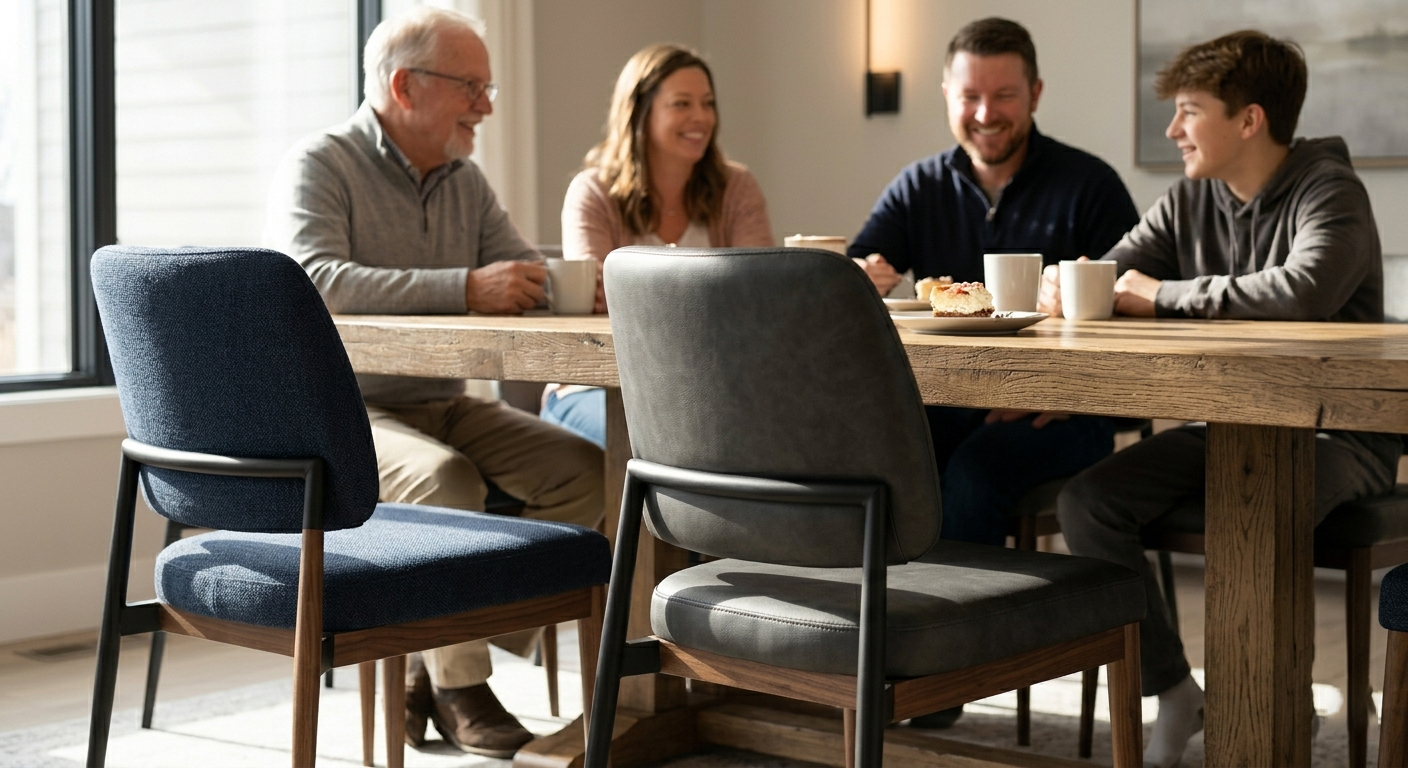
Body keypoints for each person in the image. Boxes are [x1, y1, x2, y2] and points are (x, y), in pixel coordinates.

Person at [1050, 30, 1402, 768]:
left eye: (1188, 111)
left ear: (1249, 120)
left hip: (1340, 434)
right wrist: (1066, 285)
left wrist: (1163, 297)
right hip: (1232, 426)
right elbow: (1112, 278)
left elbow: (1303, 291)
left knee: (1251, 500)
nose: (1173, 130)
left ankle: (1271, 707)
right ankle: (1175, 688)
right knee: (1088, 501)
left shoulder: (1330, 189)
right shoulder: (1189, 199)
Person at [263, 7, 604, 758]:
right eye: (470, 87)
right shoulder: (321, 163)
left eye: (488, 88)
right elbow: (315, 280)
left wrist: (569, 286)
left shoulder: (464, 180)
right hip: (348, 412)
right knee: (447, 481)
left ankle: (433, 650)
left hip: (443, 402)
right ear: (404, 87)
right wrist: (465, 288)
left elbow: (520, 267)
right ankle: (461, 685)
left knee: (588, 472)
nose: (486, 105)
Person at [846, 17, 1140, 728]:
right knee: (881, 464)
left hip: (1067, 413)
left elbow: (1135, 312)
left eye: (1004, 94)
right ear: (947, 95)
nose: (985, 113)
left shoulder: (1089, 186)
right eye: (970, 95)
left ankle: (946, 677)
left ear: (1034, 93)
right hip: (951, 405)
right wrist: (863, 275)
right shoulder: (919, 185)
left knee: (973, 475)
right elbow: (855, 278)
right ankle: (874, 657)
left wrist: (1072, 396)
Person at [545, 43, 774, 447]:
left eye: (708, 103)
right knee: (682, 438)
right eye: (681, 104)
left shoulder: (736, 187)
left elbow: (760, 293)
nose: (701, 117)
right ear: (641, 112)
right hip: (596, 387)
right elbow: (598, 301)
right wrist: (713, 301)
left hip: (709, 387)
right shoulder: (593, 192)